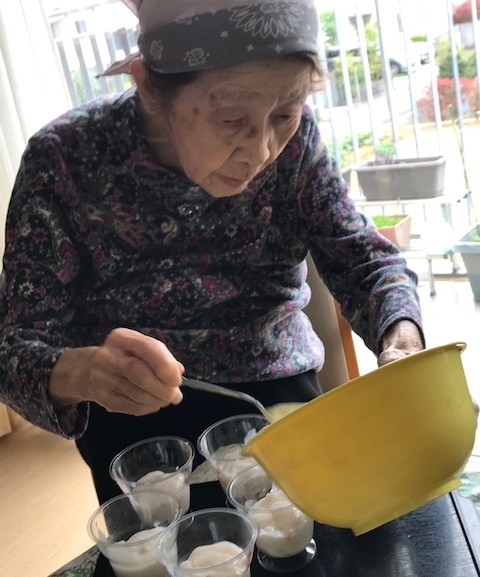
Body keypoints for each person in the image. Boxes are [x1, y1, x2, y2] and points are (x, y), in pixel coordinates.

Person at [0, 0, 424, 505]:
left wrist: (403, 344)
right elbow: (15, 347)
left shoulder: (297, 143)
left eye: (284, 114)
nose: (262, 150)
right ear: (149, 86)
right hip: (133, 420)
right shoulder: (64, 159)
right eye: (230, 118)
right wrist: (85, 373)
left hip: (278, 400)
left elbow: (364, 260)